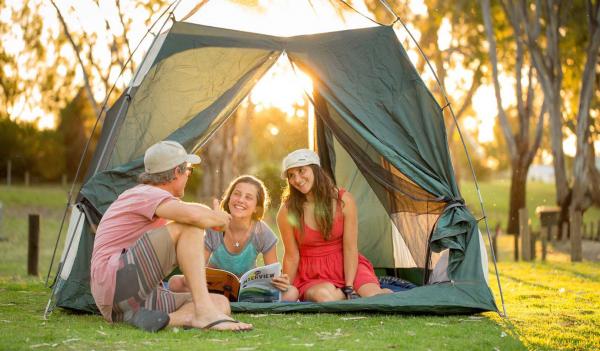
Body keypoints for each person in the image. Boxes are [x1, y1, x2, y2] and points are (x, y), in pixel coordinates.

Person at [90, 140, 253, 332]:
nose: (188, 175)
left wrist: (213, 218)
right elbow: (192, 216)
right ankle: (203, 312)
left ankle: (165, 319)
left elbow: (191, 210)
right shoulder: (145, 193)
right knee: (190, 226)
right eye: (188, 170)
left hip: (131, 301)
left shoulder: (158, 201)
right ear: (177, 171)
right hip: (116, 282)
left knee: (220, 303)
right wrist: (215, 218)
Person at [277, 149, 392, 302]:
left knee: (374, 296)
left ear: (315, 169)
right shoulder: (287, 211)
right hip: (312, 273)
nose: (297, 179)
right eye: (291, 175)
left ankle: (363, 293)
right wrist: (287, 289)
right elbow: (292, 256)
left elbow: (350, 247)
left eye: (301, 171)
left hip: (347, 263)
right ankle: (349, 297)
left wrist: (349, 285)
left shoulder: (343, 200)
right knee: (324, 297)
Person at [168, 175, 296, 301]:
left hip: (246, 289)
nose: (240, 200)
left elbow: (272, 274)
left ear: (256, 208)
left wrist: (280, 281)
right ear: (229, 199)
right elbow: (197, 267)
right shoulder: (215, 226)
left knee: (292, 292)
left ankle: (223, 299)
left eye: (248, 197)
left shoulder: (262, 232)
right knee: (175, 282)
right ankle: (219, 299)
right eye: (237, 194)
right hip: (214, 288)